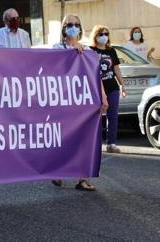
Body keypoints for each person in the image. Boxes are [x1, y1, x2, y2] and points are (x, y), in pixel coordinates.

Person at [51, 14, 109, 192]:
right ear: (63, 28)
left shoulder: (89, 52)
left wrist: (103, 96)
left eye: (76, 24)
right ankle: (57, 172)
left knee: (84, 139)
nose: (73, 27)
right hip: (61, 101)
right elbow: (52, 69)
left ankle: (82, 178)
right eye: (69, 24)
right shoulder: (56, 48)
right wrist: (72, 52)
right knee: (61, 138)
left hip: (82, 102)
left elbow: (95, 76)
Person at [90, 25, 126, 153]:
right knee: (96, 116)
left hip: (112, 86)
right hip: (96, 88)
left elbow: (116, 69)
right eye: (101, 34)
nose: (104, 36)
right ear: (95, 36)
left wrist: (122, 84)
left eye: (106, 34)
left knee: (113, 116)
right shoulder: (91, 50)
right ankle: (94, 144)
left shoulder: (111, 51)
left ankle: (111, 143)